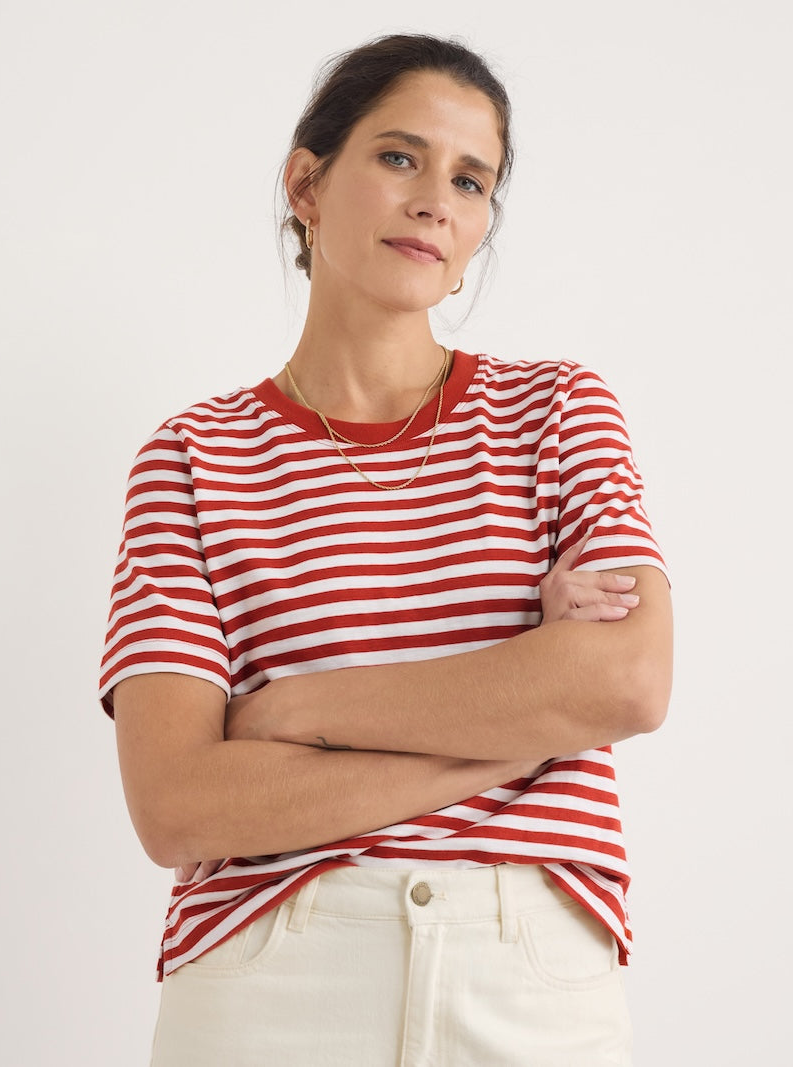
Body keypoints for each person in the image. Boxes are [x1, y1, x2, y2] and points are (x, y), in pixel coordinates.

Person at [100, 32, 672, 1067]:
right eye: (399, 157)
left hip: (529, 967)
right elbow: (179, 804)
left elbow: (627, 680)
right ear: (306, 183)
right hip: (273, 964)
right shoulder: (192, 456)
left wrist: (303, 712)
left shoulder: (557, 411)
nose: (435, 201)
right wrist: (523, 719)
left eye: (470, 179)